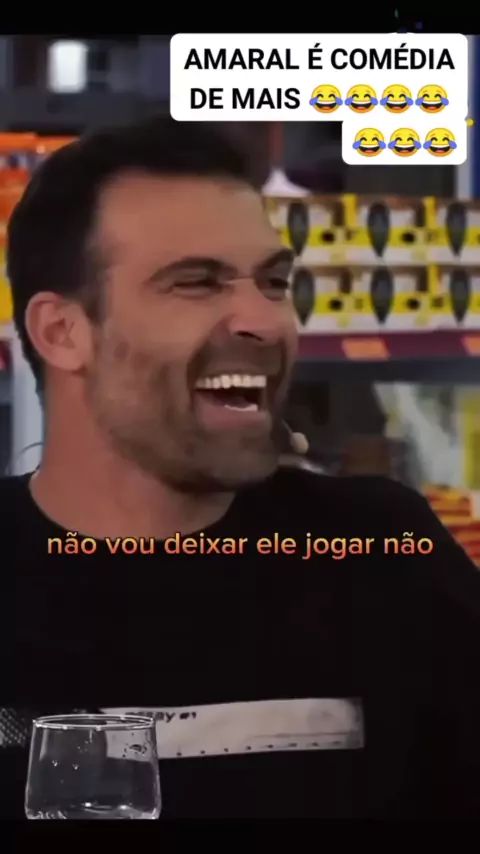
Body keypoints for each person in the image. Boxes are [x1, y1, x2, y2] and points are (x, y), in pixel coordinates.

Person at [2, 116, 480, 820]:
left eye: (274, 281)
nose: (265, 320)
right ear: (63, 332)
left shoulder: (381, 555)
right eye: (197, 283)